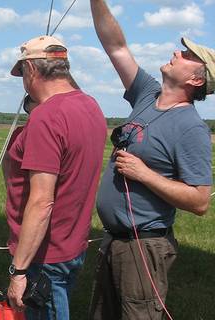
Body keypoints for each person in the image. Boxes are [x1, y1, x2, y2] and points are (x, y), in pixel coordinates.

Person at [89, 1, 214, 319]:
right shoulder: (147, 93)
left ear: (196, 81)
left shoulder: (191, 128)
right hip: (114, 240)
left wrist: (144, 174)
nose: (177, 53)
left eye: (187, 56)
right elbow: (115, 46)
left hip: (144, 246)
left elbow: (200, 201)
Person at [5, 35, 107, 320]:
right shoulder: (91, 106)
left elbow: (41, 202)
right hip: (72, 245)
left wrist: (19, 270)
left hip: (45, 255)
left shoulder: (46, 117)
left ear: (31, 71)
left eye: (22, 74)